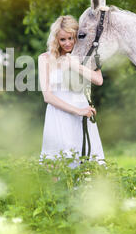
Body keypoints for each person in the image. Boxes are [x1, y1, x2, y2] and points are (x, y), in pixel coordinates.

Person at [38, 15, 105, 167]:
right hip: (59, 115)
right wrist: (77, 111)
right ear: (56, 39)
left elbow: (98, 80)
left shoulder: (84, 56)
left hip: (82, 111)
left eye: (71, 38)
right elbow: (47, 96)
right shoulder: (45, 59)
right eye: (63, 39)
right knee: (57, 165)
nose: (67, 43)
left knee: (88, 162)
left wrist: (76, 66)